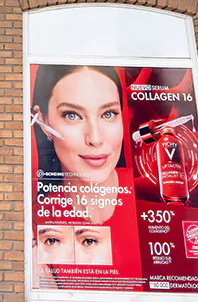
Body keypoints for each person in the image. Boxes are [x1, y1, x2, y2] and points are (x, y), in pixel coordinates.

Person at [31, 64, 127, 224]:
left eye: (109, 114)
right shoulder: (37, 220)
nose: (95, 139)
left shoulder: (150, 193)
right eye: (72, 116)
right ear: (43, 121)